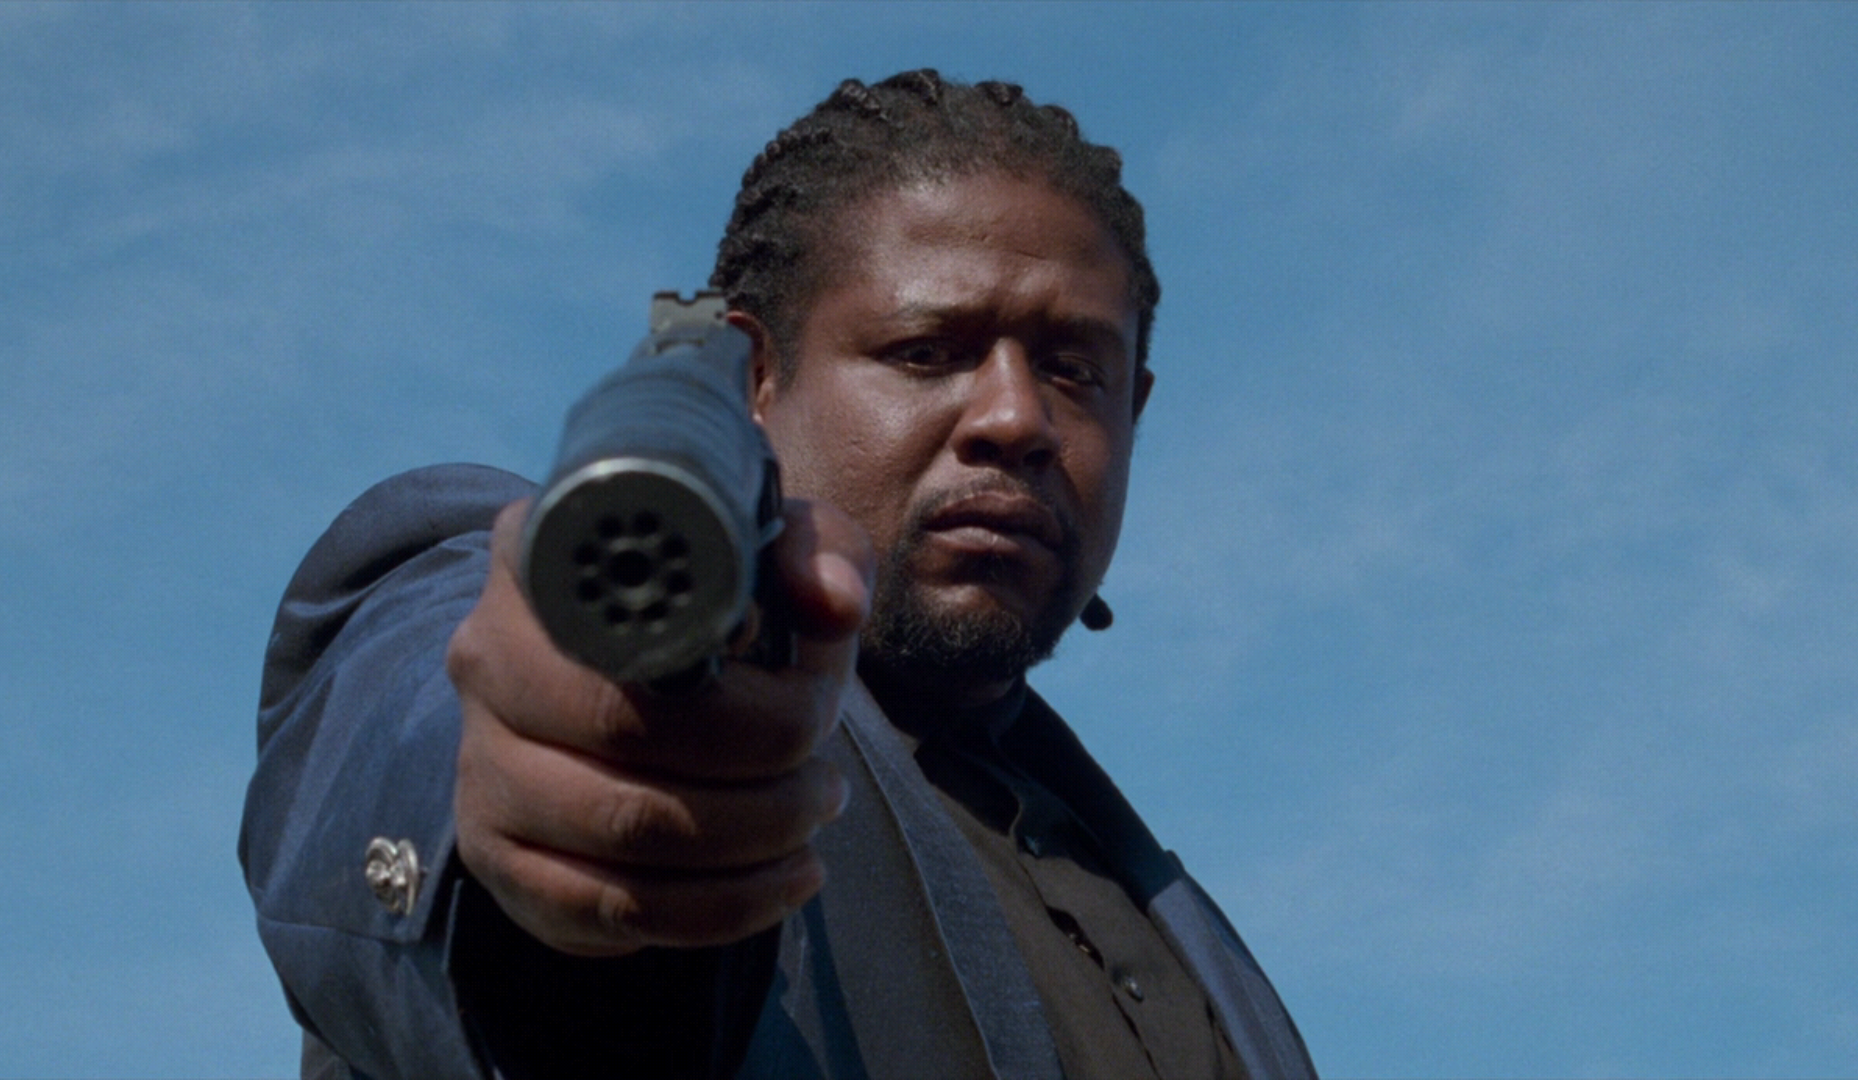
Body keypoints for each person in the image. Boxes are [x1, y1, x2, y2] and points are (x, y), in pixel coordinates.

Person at [241, 69, 1316, 1080]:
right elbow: (424, 705)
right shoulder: (594, 639)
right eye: (926, 351)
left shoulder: (1183, 930)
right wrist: (546, 788)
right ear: (753, 379)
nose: (1014, 417)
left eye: (1074, 370)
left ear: (1133, 412)